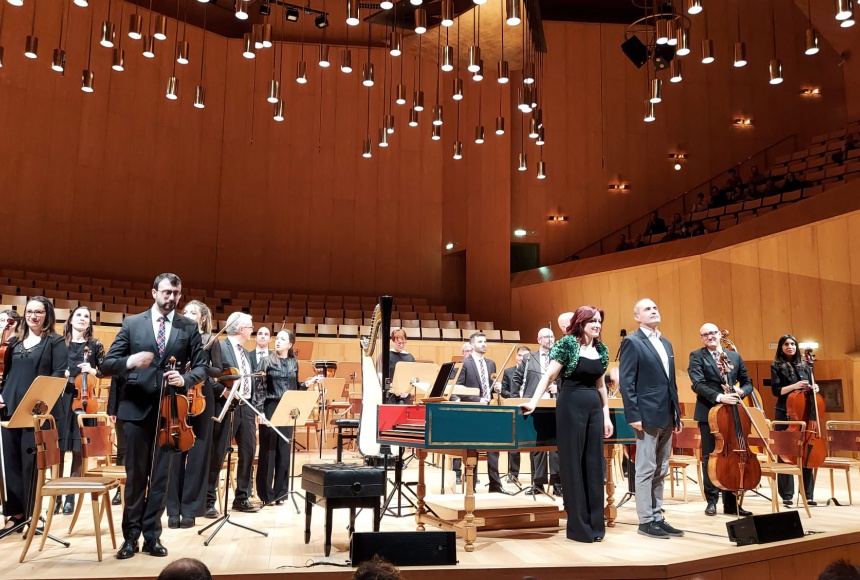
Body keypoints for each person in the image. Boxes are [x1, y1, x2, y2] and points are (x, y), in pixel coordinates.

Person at [102, 273, 207, 559]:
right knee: (136, 477)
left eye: (175, 293)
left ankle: (152, 537)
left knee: (160, 477)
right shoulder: (132, 323)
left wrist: (184, 379)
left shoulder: (188, 327)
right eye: (166, 292)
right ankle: (129, 538)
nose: (170, 297)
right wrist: (131, 361)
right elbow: (107, 365)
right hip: (135, 411)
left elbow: (201, 367)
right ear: (153, 293)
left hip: (171, 413)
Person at [522, 306, 613, 543]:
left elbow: (601, 386)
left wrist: (606, 416)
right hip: (571, 404)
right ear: (580, 323)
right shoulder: (567, 344)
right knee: (572, 463)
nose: (597, 324)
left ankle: (596, 525)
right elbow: (549, 376)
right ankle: (578, 527)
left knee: (594, 464)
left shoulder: (601, 349)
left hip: (594, 406)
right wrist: (534, 401)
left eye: (599, 321)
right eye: (592, 320)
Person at [0, 297, 67, 539]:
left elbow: (58, 375)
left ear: (47, 315)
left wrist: (40, 404)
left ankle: (32, 515)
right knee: (10, 464)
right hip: (8, 408)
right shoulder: (14, 342)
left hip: (37, 411)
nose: (33, 316)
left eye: (39, 312)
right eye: (29, 312)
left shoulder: (55, 342)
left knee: (32, 466)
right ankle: (15, 516)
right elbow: (4, 374)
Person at [618, 298, 683, 540]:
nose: (654, 310)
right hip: (645, 415)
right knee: (646, 468)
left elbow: (671, 382)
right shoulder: (632, 342)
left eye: (656, 307)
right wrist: (633, 414)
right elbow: (627, 381)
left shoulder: (665, 343)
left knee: (662, 468)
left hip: (666, 412)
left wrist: (676, 412)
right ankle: (645, 520)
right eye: (648, 309)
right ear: (637, 317)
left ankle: (657, 515)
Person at [165, 300, 224, 529]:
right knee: (175, 447)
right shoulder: (176, 336)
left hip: (201, 395)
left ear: (202, 318)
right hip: (177, 393)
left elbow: (218, 369)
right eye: (186, 311)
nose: (188, 315)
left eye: (193, 312)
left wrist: (200, 368)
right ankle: (173, 508)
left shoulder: (210, 340)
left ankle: (190, 508)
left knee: (199, 450)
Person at [688, 322, 754, 517]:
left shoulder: (733, 356)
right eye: (706, 334)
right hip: (710, 412)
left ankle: (732, 502)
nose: (710, 337)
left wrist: (740, 391)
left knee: (732, 454)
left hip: (733, 412)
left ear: (719, 335)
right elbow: (697, 384)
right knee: (711, 456)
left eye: (713, 333)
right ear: (701, 338)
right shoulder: (696, 356)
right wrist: (719, 397)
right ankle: (711, 501)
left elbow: (748, 382)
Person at [253, 329, 318, 505]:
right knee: (268, 451)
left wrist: (307, 384)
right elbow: (259, 388)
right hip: (270, 407)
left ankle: (281, 493)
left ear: (290, 344)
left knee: (283, 450)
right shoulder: (266, 361)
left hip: (288, 408)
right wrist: (259, 411)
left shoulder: (293, 363)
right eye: (278, 338)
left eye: (283, 339)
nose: (278, 341)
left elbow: (294, 386)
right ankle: (266, 495)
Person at [54, 306, 105, 516]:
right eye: (79, 315)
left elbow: (105, 370)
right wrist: (60, 373)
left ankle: (70, 497)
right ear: (71, 319)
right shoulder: (58, 343)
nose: (83, 319)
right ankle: (56, 495)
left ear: (90, 322)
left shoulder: (95, 345)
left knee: (77, 450)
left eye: (87, 316)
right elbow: (49, 368)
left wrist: (92, 370)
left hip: (84, 401)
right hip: (61, 399)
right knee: (57, 450)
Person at [208, 312, 260, 514]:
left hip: (246, 407)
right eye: (250, 327)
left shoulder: (247, 353)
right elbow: (210, 376)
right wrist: (224, 391)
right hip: (226, 405)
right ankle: (208, 500)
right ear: (240, 329)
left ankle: (242, 497)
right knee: (218, 453)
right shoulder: (219, 347)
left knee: (248, 451)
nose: (252, 330)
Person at [451, 332, 507, 493]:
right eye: (480, 341)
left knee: (493, 447)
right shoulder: (464, 364)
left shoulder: (491, 364)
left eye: (485, 341)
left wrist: (497, 387)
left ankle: (495, 485)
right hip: (473, 410)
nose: (484, 344)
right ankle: (471, 485)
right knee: (473, 448)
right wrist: (476, 400)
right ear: (472, 345)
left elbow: (488, 384)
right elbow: (458, 390)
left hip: (489, 409)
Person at [770, 334, 817, 507]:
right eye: (786, 344)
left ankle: (808, 494)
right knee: (785, 454)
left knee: (807, 453)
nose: (790, 346)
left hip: (804, 413)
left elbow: (812, 385)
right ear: (781, 347)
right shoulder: (776, 366)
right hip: (785, 413)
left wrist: (815, 387)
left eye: (792, 344)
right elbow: (776, 391)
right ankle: (787, 495)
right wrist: (794, 386)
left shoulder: (805, 365)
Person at [513, 329, 561, 495]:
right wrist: (515, 400)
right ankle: (538, 483)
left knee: (556, 445)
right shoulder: (529, 358)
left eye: (552, 336)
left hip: (556, 403)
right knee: (537, 445)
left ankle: (557, 483)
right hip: (535, 404)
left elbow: (565, 378)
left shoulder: (560, 356)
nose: (550, 339)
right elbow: (517, 379)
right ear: (538, 339)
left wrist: (558, 386)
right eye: (546, 337)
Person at [386, 328, 416, 404]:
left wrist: (407, 391)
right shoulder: (386, 355)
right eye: (398, 343)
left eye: (403, 343)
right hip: (390, 394)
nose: (401, 345)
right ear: (392, 341)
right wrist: (393, 388)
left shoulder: (410, 357)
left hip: (405, 394)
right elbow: (381, 376)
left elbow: (413, 377)